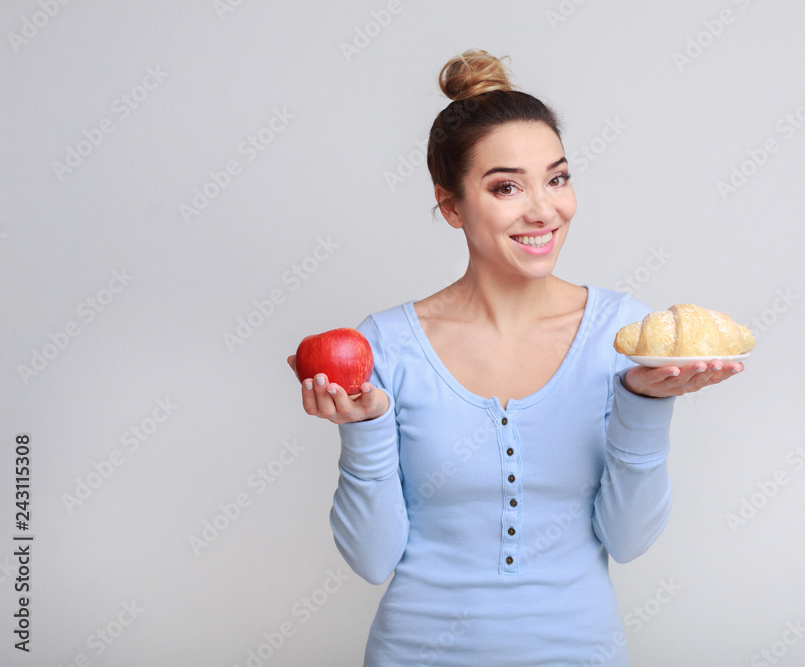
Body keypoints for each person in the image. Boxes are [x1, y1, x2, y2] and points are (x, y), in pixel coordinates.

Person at [288, 49, 745, 666]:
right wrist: (364, 429)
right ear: (451, 206)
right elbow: (372, 561)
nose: (544, 209)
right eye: (507, 186)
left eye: (557, 178)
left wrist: (643, 406)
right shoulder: (387, 345)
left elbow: (629, 541)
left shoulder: (624, 334)